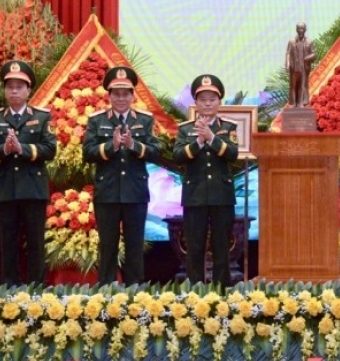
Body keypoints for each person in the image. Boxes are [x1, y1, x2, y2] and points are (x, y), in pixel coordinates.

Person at [0, 60, 56, 286]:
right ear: (4, 90)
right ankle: (9, 287)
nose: (14, 91)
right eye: (10, 87)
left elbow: (50, 149)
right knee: (8, 242)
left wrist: (22, 149)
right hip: (7, 189)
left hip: (33, 189)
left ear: (28, 90)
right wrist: (4, 149)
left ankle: (37, 288)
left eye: (19, 87)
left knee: (36, 242)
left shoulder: (42, 117)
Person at [82, 66, 161, 285]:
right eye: (116, 94)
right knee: (108, 245)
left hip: (135, 191)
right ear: (108, 95)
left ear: (133, 95)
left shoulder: (145, 120)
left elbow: (156, 152)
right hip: (107, 191)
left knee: (135, 244)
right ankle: (106, 289)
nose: (121, 98)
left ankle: (135, 289)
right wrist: (112, 145)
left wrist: (133, 145)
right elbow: (88, 153)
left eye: (125, 94)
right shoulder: (97, 120)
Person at [173, 75, 239, 285]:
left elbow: (233, 154)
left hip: (221, 194)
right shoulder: (185, 129)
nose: (208, 103)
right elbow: (178, 156)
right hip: (195, 195)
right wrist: (198, 142)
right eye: (203, 99)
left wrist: (212, 138)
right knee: (194, 247)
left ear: (219, 102)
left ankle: (222, 291)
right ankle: (195, 291)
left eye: (212, 99)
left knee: (222, 246)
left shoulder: (228, 127)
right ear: (195, 102)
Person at [285, 22, 315, 106]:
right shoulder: (291, 41)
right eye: (299, 28)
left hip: (304, 68)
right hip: (294, 67)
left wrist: (307, 58)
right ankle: (293, 103)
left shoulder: (309, 42)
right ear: (296, 30)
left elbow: (314, 54)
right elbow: (288, 53)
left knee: (302, 86)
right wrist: (287, 64)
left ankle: (301, 103)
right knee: (293, 86)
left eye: (302, 28)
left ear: (305, 30)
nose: (300, 30)